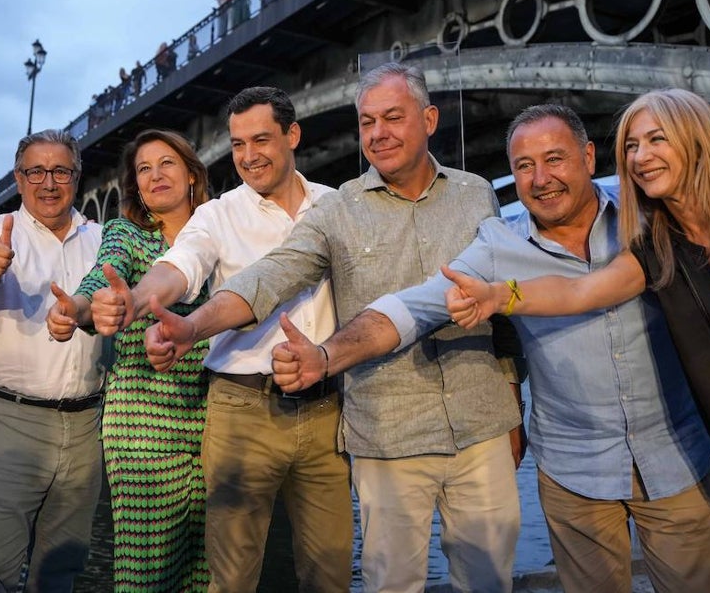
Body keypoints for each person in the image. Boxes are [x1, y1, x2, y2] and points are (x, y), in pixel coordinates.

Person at [272, 104, 710, 592]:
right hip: (573, 475)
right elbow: (412, 310)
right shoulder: (498, 246)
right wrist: (326, 357)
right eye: (523, 166)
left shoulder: (649, 218)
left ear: (588, 155)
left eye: (555, 159)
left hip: (675, 459)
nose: (541, 179)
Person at [444, 89, 710, 592]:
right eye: (632, 145)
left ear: (697, 140)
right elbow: (579, 291)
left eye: (657, 139)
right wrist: (498, 295)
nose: (640, 156)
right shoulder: (660, 246)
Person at [140, 63, 522, 593]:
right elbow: (269, 278)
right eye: (367, 122)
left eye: (392, 117)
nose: (378, 133)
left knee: (488, 581)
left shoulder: (477, 193)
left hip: (478, 421)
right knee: (388, 583)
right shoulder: (338, 209)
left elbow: (501, 295)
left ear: (430, 119)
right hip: (386, 427)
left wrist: (511, 391)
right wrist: (192, 326)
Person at [89, 88, 351, 592]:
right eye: (237, 144)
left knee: (330, 575)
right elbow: (180, 267)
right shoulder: (218, 215)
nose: (248, 156)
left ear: (292, 135)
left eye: (261, 140)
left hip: (325, 414)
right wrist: (137, 301)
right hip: (242, 410)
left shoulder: (335, 205)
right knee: (230, 579)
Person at [47, 129, 212, 592]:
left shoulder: (219, 235)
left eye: (167, 163)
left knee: (203, 572)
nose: (156, 175)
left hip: (212, 419)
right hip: (142, 425)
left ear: (192, 173)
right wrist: (80, 308)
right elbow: (104, 276)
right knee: (144, 575)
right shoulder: (127, 234)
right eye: (144, 169)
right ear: (135, 186)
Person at [0, 129, 106, 592]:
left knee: (62, 568)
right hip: (6, 420)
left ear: (76, 178)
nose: (48, 182)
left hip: (85, 427)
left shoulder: (104, 240)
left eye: (60, 170)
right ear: (19, 180)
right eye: (35, 171)